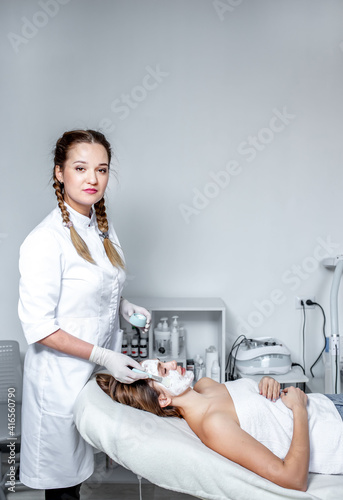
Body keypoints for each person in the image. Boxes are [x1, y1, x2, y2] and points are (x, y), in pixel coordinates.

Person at [18, 129, 150, 500]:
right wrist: (104, 355)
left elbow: (95, 285)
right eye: (81, 167)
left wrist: (124, 304)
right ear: (60, 172)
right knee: (63, 489)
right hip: (59, 382)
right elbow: (41, 327)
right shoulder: (45, 240)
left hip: (89, 379)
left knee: (79, 478)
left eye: (102, 169)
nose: (93, 178)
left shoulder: (102, 229)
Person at [96, 359, 343, 492]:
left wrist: (269, 383)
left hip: (328, 403)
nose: (173, 363)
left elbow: (263, 411)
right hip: (335, 432)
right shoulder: (213, 425)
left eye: (164, 362)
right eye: (163, 369)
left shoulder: (205, 385)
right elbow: (292, 478)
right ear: (163, 399)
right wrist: (298, 408)